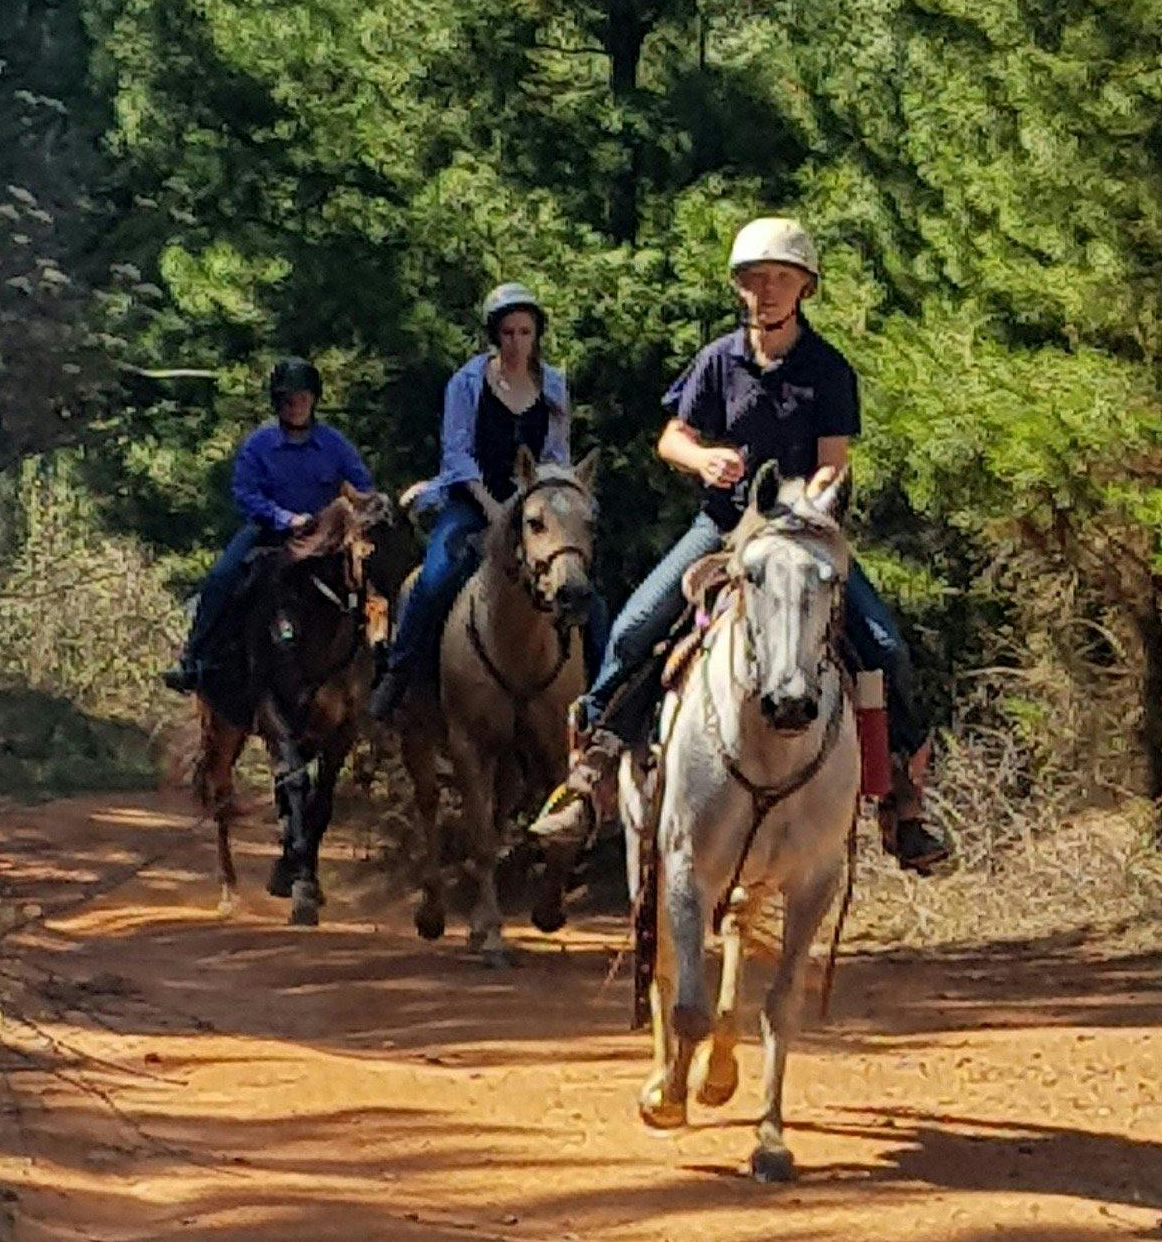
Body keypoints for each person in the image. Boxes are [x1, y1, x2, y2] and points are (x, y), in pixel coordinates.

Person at [529, 216, 952, 874]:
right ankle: (592, 772)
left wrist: (810, 502)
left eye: (781, 278)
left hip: (805, 532)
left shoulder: (828, 368)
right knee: (635, 626)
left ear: (805, 287)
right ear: (740, 290)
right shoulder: (717, 360)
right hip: (724, 527)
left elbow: (833, 462)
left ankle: (902, 797)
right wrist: (702, 461)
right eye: (755, 280)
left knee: (885, 644)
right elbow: (672, 436)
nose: (767, 290)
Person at [370, 282, 600, 719]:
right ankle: (401, 677)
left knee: (582, 582)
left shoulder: (552, 385)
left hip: (536, 504)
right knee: (437, 576)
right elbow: (457, 454)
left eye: (525, 332)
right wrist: (494, 509)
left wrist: (554, 498)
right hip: (473, 500)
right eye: (508, 333)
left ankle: (599, 690)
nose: (516, 342)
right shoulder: (468, 382)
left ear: (536, 335)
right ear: (495, 335)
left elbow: (555, 454)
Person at [163, 358, 380, 696]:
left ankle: (387, 661)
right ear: (278, 403)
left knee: (375, 576)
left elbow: (362, 484)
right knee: (221, 576)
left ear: (314, 400)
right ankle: (193, 658)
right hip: (269, 532)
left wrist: (367, 504)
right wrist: (285, 518)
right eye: (289, 400)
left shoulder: (334, 443)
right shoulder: (259, 444)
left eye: (303, 399)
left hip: (325, 537)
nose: (296, 407)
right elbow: (245, 493)